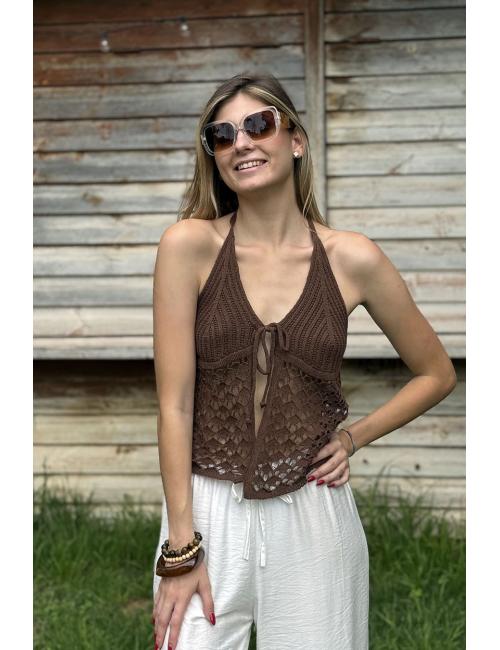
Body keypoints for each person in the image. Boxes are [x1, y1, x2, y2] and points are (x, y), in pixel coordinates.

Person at [151, 72, 457, 650]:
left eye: (258, 124)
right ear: (214, 156)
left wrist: (353, 437)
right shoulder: (188, 247)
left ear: (295, 139)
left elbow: (436, 373)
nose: (241, 142)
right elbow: (175, 404)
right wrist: (181, 547)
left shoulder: (352, 258)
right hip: (206, 509)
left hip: (313, 512)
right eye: (222, 135)